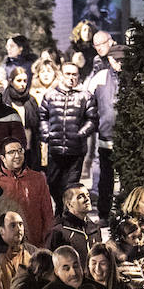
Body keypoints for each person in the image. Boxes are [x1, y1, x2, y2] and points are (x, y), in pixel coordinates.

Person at [39, 61, 97, 213]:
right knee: (53, 183)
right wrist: (47, 134)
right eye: (68, 74)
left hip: (75, 151)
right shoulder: (50, 95)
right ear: (61, 75)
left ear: (78, 76)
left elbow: (92, 120)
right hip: (55, 149)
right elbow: (42, 116)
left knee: (71, 186)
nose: (71, 78)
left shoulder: (85, 97)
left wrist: (80, 134)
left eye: (74, 74)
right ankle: (60, 208)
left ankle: (65, 215)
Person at [84, 44, 122, 220]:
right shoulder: (100, 77)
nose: (120, 63)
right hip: (106, 137)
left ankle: (124, 214)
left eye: (123, 60)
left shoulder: (134, 78)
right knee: (105, 179)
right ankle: (104, 215)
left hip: (127, 140)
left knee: (126, 180)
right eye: (116, 60)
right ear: (110, 60)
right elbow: (88, 102)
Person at [0, 136, 55, 248]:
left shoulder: (37, 178)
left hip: (36, 244)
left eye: (20, 151)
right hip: (7, 248)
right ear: (3, 158)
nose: (17, 156)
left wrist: (47, 242)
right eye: (11, 152)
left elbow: (47, 213)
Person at [2, 65, 43, 171]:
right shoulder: (4, 100)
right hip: (10, 148)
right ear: (11, 82)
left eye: (25, 81)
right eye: (19, 80)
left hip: (29, 147)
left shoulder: (31, 100)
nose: (22, 84)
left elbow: (36, 125)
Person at [45, 185, 96, 265]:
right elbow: (48, 264)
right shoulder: (58, 231)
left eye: (88, 195)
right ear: (69, 205)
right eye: (80, 197)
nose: (87, 199)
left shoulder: (94, 228)